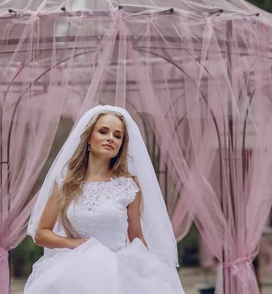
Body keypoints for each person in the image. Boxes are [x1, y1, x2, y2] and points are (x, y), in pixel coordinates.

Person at [25, 105, 185, 293]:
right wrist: (73, 244)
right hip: (73, 273)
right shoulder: (65, 183)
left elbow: (136, 236)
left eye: (118, 136)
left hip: (118, 272)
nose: (111, 138)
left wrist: (146, 269)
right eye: (103, 131)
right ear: (88, 139)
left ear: (121, 145)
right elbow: (41, 233)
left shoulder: (129, 187)